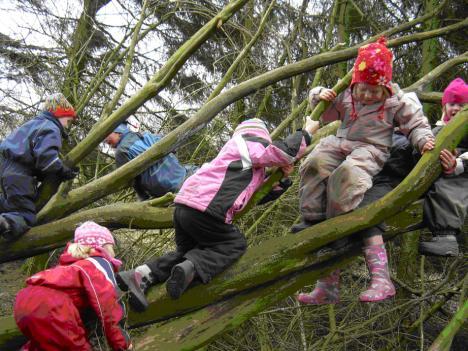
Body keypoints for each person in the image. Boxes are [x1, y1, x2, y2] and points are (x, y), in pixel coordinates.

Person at [117, 116, 319, 311]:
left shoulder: (240, 162)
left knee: (186, 253)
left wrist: (280, 180)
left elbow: (252, 196)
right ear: (260, 137)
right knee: (233, 244)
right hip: (205, 208)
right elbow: (283, 151)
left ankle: (141, 274)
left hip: (184, 207)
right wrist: (307, 133)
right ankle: (192, 269)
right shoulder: (247, 143)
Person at [293, 37, 434, 304]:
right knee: (314, 162)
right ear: (355, 83)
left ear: (386, 87)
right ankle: (312, 218)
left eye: (375, 91)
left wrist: (424, 140)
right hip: (341, 142)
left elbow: (416, 123)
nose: (368, 96)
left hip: (370, 150)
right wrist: (318, 95)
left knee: (345, 177)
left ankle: (336, 229)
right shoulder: (347, 94)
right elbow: (323, 112)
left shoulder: (397, 101)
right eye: (363, 90)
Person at [14, 221, 132, 351]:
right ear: (103, 246)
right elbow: (108, 302)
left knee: (44, 344)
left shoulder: (69, 266)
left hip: (23, 301)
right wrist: (122, 343)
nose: (114, 253)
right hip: (51, 304)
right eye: (112, 247)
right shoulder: (98, 262)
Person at [0, 93, 79, 240]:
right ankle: (6, 224)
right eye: (68, 121)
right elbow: (46, 158)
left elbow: (34, 157)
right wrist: (62, 171)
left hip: (6, 169)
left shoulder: (34, 124)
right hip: (20, 174)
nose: (68, 125)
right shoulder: (51, 128)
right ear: (60, 115)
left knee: (10, 203)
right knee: (25, 213)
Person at [419, 77, 468, 256]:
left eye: (461, 105)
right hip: (435, 174)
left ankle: (446, 238)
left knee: (450, 186)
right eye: (451, 104)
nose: (455, 108)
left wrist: (458, 164)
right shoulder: (440, 129)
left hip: (460, 175)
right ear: (444, 107)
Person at [105, 123, 197, 200]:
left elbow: (131, 181)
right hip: (183, 174)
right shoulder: (145, 135)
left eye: (107, 136)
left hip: (168, 190)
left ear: (118, 131)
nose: (105, 140)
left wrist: (144, 199)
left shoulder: (121, 152)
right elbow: (172, 147)